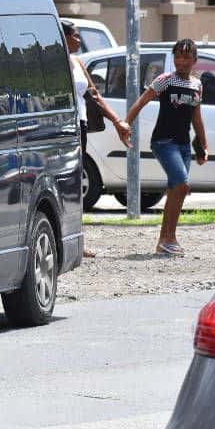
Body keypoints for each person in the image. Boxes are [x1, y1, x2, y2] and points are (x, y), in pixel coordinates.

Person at [123, 38, 209, 256]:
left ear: (195, 60)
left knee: (176, 191)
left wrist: (203, 145)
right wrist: (126, 124)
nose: (181, 61)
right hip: (163, 142)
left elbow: (196, 118)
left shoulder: (197, 85)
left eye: (186, 57)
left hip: (183, 145)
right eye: (177, 57)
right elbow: (141, 101)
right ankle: (168, 239)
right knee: (181, 184)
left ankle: (166, 240)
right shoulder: (165, 81)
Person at [64, 21, 131, 258]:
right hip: (61, 126)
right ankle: (64, 239)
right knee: (64, 183)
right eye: (75, 35)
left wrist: (117, 121)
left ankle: (77, 240)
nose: (79, 40)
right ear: (64, 37)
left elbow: (93, 95)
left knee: (75, 181)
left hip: (79, 125)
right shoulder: (53, 62)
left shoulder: (77, 62)